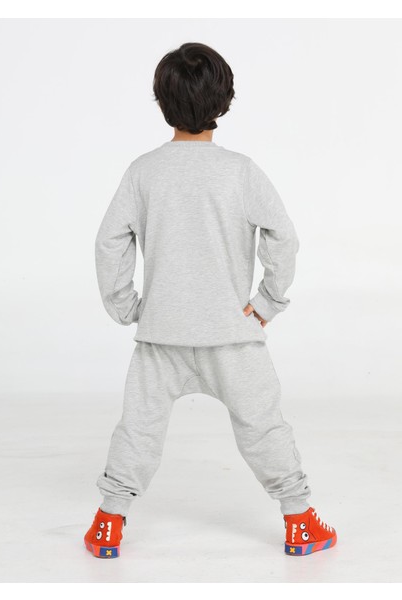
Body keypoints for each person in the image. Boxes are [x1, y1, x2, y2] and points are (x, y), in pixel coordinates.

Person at [84, 42, 337, 559]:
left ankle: (108, 522)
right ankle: (299, 521)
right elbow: (283, 236)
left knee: (139, 429)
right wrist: (267, 302)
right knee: (263, 426)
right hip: (233, 338)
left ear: (161, 101)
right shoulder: (240, 171)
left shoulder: (143, 171)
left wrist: (125, 306)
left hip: (161, 338)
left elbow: (110, 241)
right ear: (225, 101)